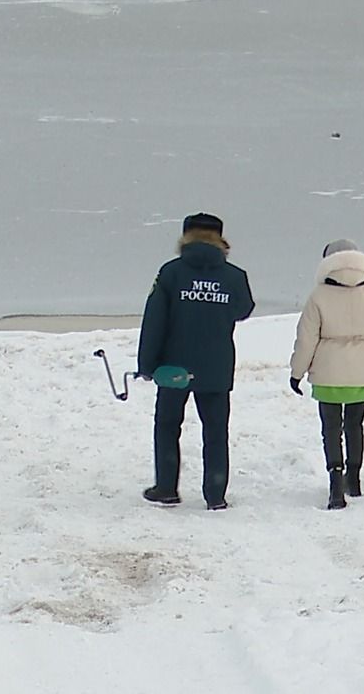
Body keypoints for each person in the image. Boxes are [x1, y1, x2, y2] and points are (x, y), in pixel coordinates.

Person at [137, 213, 255, 510]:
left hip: (174, 366)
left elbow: (154, 321)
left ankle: (166, 488)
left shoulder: (171, 273)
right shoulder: (234, 276)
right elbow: (243, 309)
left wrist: (147, 364)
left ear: (186, 237)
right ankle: (215, 495)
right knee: (215, 431)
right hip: (216, 365)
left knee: (167, 425)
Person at [289, 239, 364, 509]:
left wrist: (297, 372)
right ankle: (354, 479)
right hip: (362, 373)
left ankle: (335, 485)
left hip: (327, 373)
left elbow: (306, 340)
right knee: (355, 426)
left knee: (331, 429)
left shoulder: (318, 296)